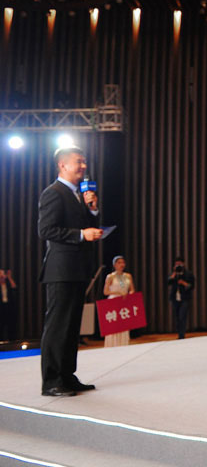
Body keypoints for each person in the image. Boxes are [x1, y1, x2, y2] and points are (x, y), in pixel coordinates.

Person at [37, 146, 103, 396]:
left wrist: (93, 209)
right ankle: (51, 381)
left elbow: (87, 227)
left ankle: (67, 375)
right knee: (57, 326)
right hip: (60, 270)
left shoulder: (79, 195)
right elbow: (46, 230)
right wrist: (80, 235)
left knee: (72, 325)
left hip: (77, 269)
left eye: (85, 161)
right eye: (79, 162)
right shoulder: (53, 193)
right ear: (63, 165)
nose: (84, 166)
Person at [102, 256, 134, 347]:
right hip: (114, 301)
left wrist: (130, 294)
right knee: (113, 326)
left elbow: (132, 289)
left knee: (124, 325)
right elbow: (105, 291)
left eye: (123, 262)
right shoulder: (110, 276)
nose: (122, 264)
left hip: (124, 301)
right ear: (114, 265)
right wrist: (117, 292)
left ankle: (123, 344)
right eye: (119, 263)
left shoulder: (128, 276)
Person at [167, 257, 195, 339]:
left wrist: (183, 283)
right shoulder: (173, 274)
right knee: (177, 317)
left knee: (182, 316)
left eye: (179, 264)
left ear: (183, 264)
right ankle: (180, 333)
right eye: (176, 264)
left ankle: (181, 335)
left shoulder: (189, 274)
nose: (178, 265)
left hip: (185, 298)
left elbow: (192, 286)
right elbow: (168, 282)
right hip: (175, 298)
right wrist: (174, 273)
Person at [0, 269, 17, 342]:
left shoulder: (8, 283)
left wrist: (9, 277)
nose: (1, 276)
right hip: (1, 307)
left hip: (9, 306)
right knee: (1, 324)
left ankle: (11, 340)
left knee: (10, 323)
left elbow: (14, 287)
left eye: (2, 274)